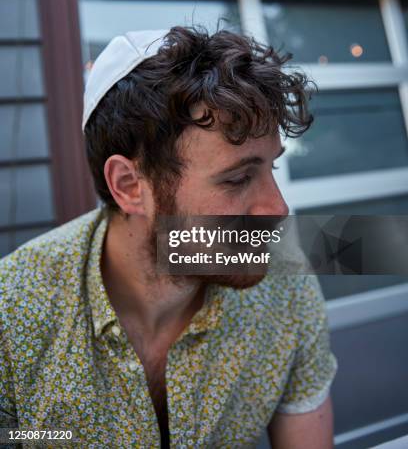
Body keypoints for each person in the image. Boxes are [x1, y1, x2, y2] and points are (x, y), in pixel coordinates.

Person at [0, 26, 338, 448]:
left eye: (270, 168)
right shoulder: (14, 311)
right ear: (128, 185)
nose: (278, 209)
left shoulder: (286, 283)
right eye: (237, 179)